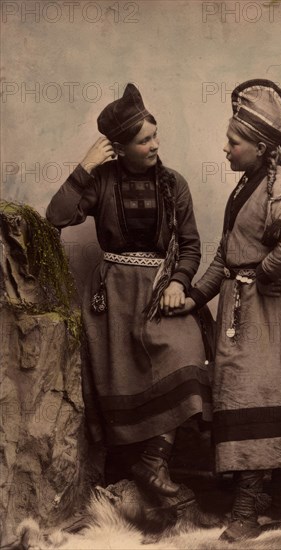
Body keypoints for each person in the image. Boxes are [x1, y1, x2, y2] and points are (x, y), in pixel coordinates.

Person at [172, 79, 281, 541]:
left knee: (256, 398)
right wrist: (196, 296)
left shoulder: (279, 186)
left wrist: (263, 274)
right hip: (245, 309)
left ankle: (251, 510)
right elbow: (226, 253)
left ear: (261, 147)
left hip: (266, 313)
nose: (225, 148)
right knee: (252, 395)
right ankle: (280, 502)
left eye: (233, 141)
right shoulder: (250, 184)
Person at [46, 83, 212, 497]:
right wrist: (84, 166)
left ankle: (153, 462)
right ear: (119, 149)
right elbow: (56, 215)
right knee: (121, 383)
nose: (156, 145)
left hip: (161, 293)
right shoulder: (100, 182)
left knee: (186, 355)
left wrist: (178, 281)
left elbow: (190, 245)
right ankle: (126, 479)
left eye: (155, 135)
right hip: (114, 299)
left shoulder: (174, 184)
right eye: (145, 140)